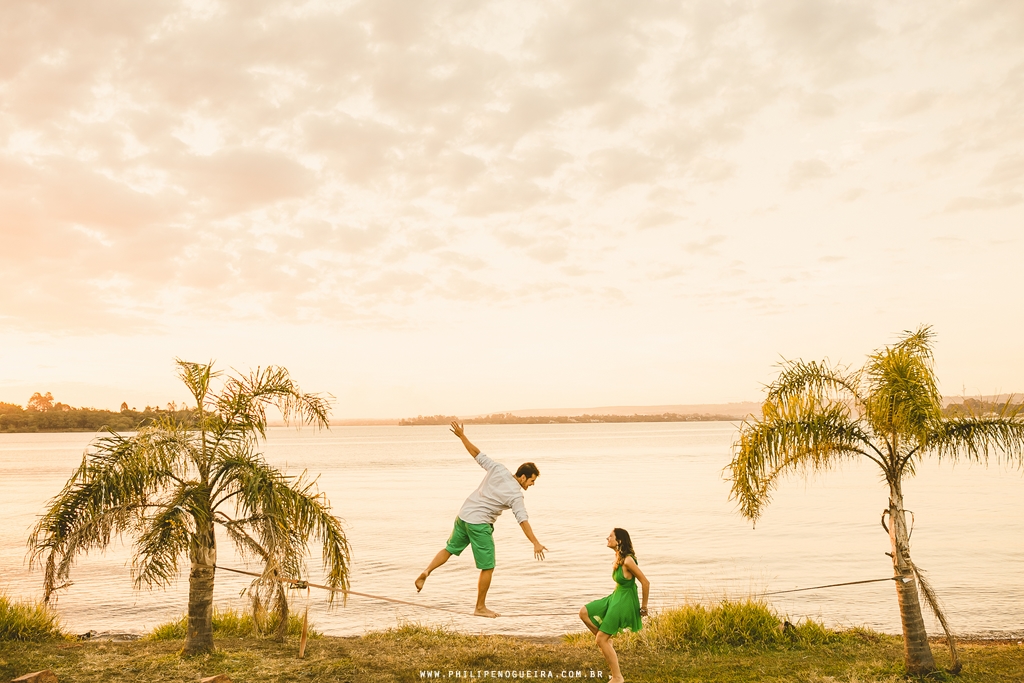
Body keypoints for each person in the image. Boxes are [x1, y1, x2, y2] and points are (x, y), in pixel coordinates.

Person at [415, 421, 547, 617]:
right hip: (479, 524)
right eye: (532, 480)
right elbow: (523, 520)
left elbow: (476, 453)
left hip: (464, 515)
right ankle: (480, 607)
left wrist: (462, 436)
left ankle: (427, 571)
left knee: (450, 549)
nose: (532, 484)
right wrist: (535, 542)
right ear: (523, 477)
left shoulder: (499, 468)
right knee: (488, 566)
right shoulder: (516, 495)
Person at [579, 528, 650, 683]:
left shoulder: (628, 560)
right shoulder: (618, 557)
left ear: (619, 541)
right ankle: (606, 640)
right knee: (584, 612)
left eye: (610, 536)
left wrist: (644, 607)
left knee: (600, 640)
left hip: (623, 602)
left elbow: (645, 582)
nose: (607, 538)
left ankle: (617, 677)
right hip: (615, 597)